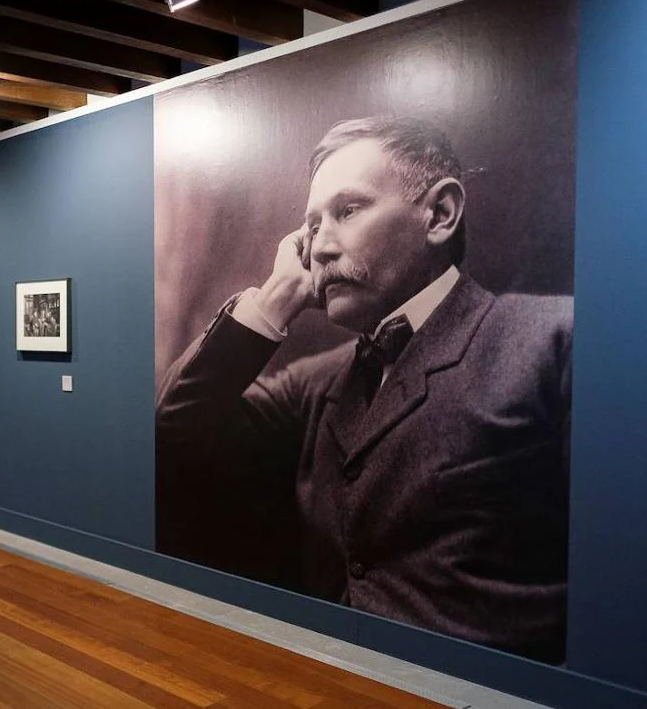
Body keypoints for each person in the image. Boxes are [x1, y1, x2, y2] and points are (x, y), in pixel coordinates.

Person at [156, 116, 571, 663]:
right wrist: (275, 297)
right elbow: (173, 431)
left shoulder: (554, 340)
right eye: (310, 227)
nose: (319, 248)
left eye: (348, 211)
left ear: (440, 214)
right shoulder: (318, 382)